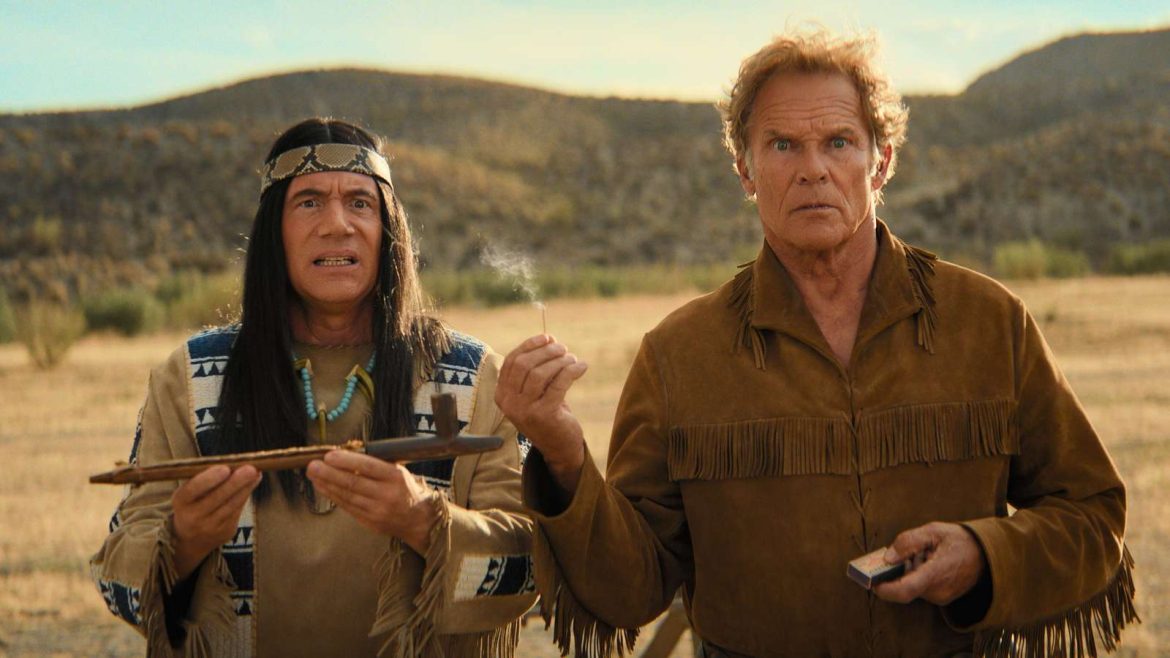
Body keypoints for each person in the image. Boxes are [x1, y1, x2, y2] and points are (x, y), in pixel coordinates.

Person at [496, 29, 1138, 657]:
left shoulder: (990, 322)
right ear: (745, 171)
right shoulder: (679, 355)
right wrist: (563, 453)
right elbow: (631, 589)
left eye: (838, 141)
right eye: (782, 145)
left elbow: (1093, 516)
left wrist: (982, 556)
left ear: (880, 162)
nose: (812, 170)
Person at [91, 118, 536, 657]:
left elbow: (531, 565)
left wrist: (422, 520)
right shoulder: (193, 377)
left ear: (388, 230)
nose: (337, 225)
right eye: (309, 202)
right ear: (273, 233)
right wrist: (182, 542)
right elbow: (118, 575)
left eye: (360, 203)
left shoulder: (470, 375)